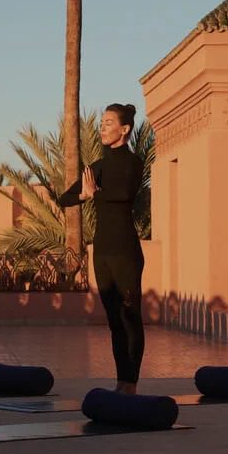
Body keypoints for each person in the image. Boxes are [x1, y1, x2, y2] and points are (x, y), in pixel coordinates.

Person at [58, 104, 145, 394]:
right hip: (103, 252)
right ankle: (121, 380)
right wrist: (83, 195)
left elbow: (124, 194)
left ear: (125, 129)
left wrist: (96, 193)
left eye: (109, 122)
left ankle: (130, 383)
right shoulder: (96, 167)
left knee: (130, 316)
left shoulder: (133, 162)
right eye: (102, 123)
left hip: (125, 250)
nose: (103, 127)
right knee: (114, 320)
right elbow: (65, 197)